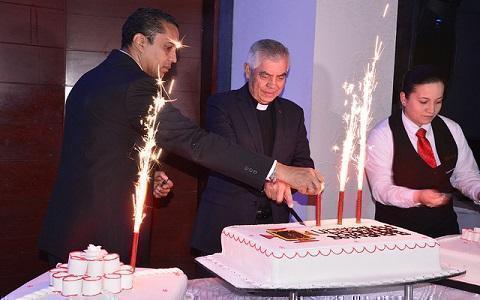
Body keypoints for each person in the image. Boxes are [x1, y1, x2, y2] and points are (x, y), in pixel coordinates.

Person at [39, 8, 323, 267]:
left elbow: (107, 145)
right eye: (167, 48)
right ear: (140, 42)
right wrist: (278, 170)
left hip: (77, 226)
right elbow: (195, 142)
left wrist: (150, 173)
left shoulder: (96, 77)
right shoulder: (136, 85)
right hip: (98, 234)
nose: (173, 59)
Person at [189, 39, 314, 256]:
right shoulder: (221, 105)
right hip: (226, 225)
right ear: (248, 71)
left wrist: (285, 181)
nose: (272, 85)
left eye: (281, 77)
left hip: (274, 230)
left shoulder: (294, 113)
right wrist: (268, 181)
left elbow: (302, 163)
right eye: (264, 75)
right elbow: (228, 159)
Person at [366, 65, 480, 238]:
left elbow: (465, 175)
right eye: (424, 102)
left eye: (438, 101)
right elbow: (381, 190)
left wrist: (478, 191)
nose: (432, 110)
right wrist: (417, 196)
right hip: (398, 234)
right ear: (404, 99)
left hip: (445, 231)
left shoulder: (451, 129)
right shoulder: (382, 135)